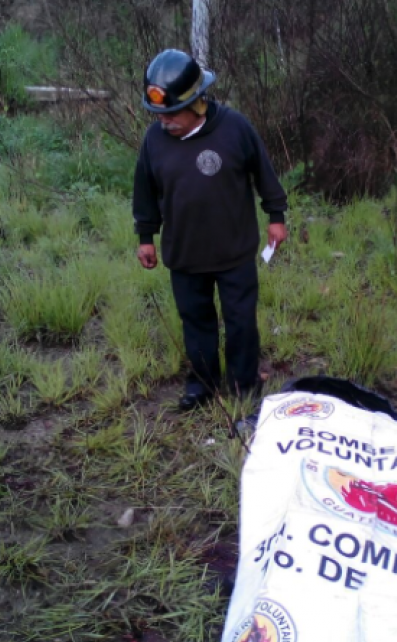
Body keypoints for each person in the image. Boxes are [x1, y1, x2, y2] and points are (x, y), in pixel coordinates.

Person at [133, 49, 288, 411]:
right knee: (196, 322)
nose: (164, 121)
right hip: (184, 253)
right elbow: (144, 191)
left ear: (197, 103)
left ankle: (243, 384)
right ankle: (202, 385)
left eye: (171, 113)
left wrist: (276, 216)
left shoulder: (234, 128)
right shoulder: (154, 141)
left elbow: (264, 173)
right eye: (158, 114)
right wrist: (145, 237)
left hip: (233, 251)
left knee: (240, 321)